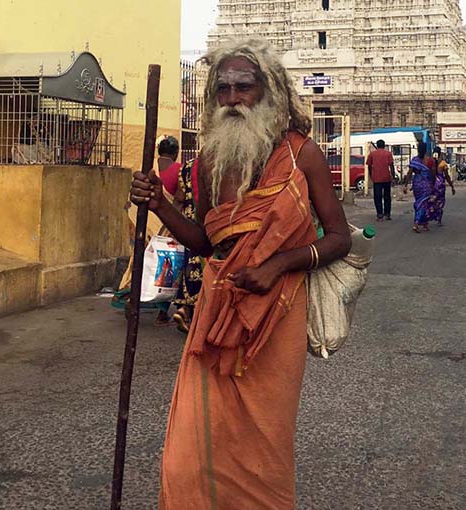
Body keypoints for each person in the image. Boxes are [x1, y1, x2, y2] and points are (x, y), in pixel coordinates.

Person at [130, 37, 351, 509]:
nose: (232, 100)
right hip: (218, 307)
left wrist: (276, 266)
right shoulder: (210, 160)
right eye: (223, 90)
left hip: (278, 312)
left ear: (267, 91)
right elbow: (206, 242)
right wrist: (158, 205)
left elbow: (338, 238)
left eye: (243, 88)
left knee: (262, 444)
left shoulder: (301, 155)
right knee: (190, 452)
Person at [170, 158, 203, 333]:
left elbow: (179, 198)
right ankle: (196, 315)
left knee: (189, 265)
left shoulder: (187, 167)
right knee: (205, 269)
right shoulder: (215, 163)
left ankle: (184, 309)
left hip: (187, 225)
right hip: (205, 225)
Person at [153, 136, 182, 325]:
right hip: (172, 222)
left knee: (154, 265)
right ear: (176, 152)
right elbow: (180, 197)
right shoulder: (179, 171)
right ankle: (168, 311)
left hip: (154, 224)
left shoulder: (151, 168)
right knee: (172, 267)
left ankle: (135, 300)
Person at [403, 142, 436, 233]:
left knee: (420, 203)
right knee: (424, 204)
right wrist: (433, 185)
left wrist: (405, 185)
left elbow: (409, 173)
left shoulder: (415, 160)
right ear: (426, 150)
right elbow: (433, 174)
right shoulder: (430, 161)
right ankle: (416, 223)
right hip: (426, 185)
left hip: (417, 184)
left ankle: (425, 224)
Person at [366, 139, 395, 221]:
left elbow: (369, 166)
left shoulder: (372, 154)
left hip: (377, 179)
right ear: (384, 145)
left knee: (377, 197)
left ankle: (379, 214)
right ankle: (387, 214)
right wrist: (392, 176)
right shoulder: (388, 154)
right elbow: (391, 166)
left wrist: (371, 175)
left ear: (377, 145)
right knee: (387, 197)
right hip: (386, 178)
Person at [428, 148, 455, 226]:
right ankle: (439, 220)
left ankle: (429, 215)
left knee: (432, 200)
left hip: (432, 184)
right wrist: (452, 186)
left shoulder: (430, 162)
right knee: (440, 201)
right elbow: (447, 176)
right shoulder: (443, 163)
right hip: (440, 185)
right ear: (440, 154)